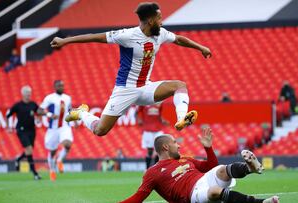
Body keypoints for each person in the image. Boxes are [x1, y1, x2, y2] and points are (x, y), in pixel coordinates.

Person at [50, 2, 212, 137]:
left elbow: (179, 39)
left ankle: (181, 118)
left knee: (179, 85)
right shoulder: (127, 35)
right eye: (159, 18)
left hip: (145, 88)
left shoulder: (160, 33)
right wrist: (65, 41)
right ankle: (81, 113)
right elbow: (94, 36)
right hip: (125, 90)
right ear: (150, 21)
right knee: (100, 130)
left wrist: (200, 47)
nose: (162, 21)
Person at [120, 127, 279, 203]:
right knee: (214, 191)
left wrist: (208, 147)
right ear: (166, 147)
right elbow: (138, 197)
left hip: (203, 179)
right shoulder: (153, 172)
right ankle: (260, 202)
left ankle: (249, 168)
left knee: (222, 169)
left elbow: (211, 166)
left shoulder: (184, 159)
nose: (179, 145)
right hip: (191, 196)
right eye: (175, 143)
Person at [37, 80, 75, 181]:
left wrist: (74, 120)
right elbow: (39, 110)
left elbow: (70, 110)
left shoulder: (67, 98)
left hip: (64, 126)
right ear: (55, 87)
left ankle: (59, 160)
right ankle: (52, 170)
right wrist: (49, 115)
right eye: (59, 85)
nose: (61, 87)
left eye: (62, 85)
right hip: (53, 129)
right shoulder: (50, 98)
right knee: (52, 151)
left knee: (67, 144)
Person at [5, 85, 41, 180]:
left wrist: (38, 118)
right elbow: (8, 115)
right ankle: (35, 173)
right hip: (21, 130)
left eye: (29, 93)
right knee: (29, 149)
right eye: (27, 93)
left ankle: (18, 159)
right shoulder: (18, 105)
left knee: (29, 150)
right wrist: (8, 127)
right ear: (23, 94)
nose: (29, 95)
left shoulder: (33, 104)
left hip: (32, 130)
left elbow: (39, 112)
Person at [137, 103, 168, 169]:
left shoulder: (160, 102)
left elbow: (160, 114)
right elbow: (138, 111)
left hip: (158, 129)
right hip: (148, 130)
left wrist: (163, 120)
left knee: (159, 149)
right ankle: (147, 169)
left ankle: (156, 169)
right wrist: (139, 119)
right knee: (150, 151)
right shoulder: (144, 101)